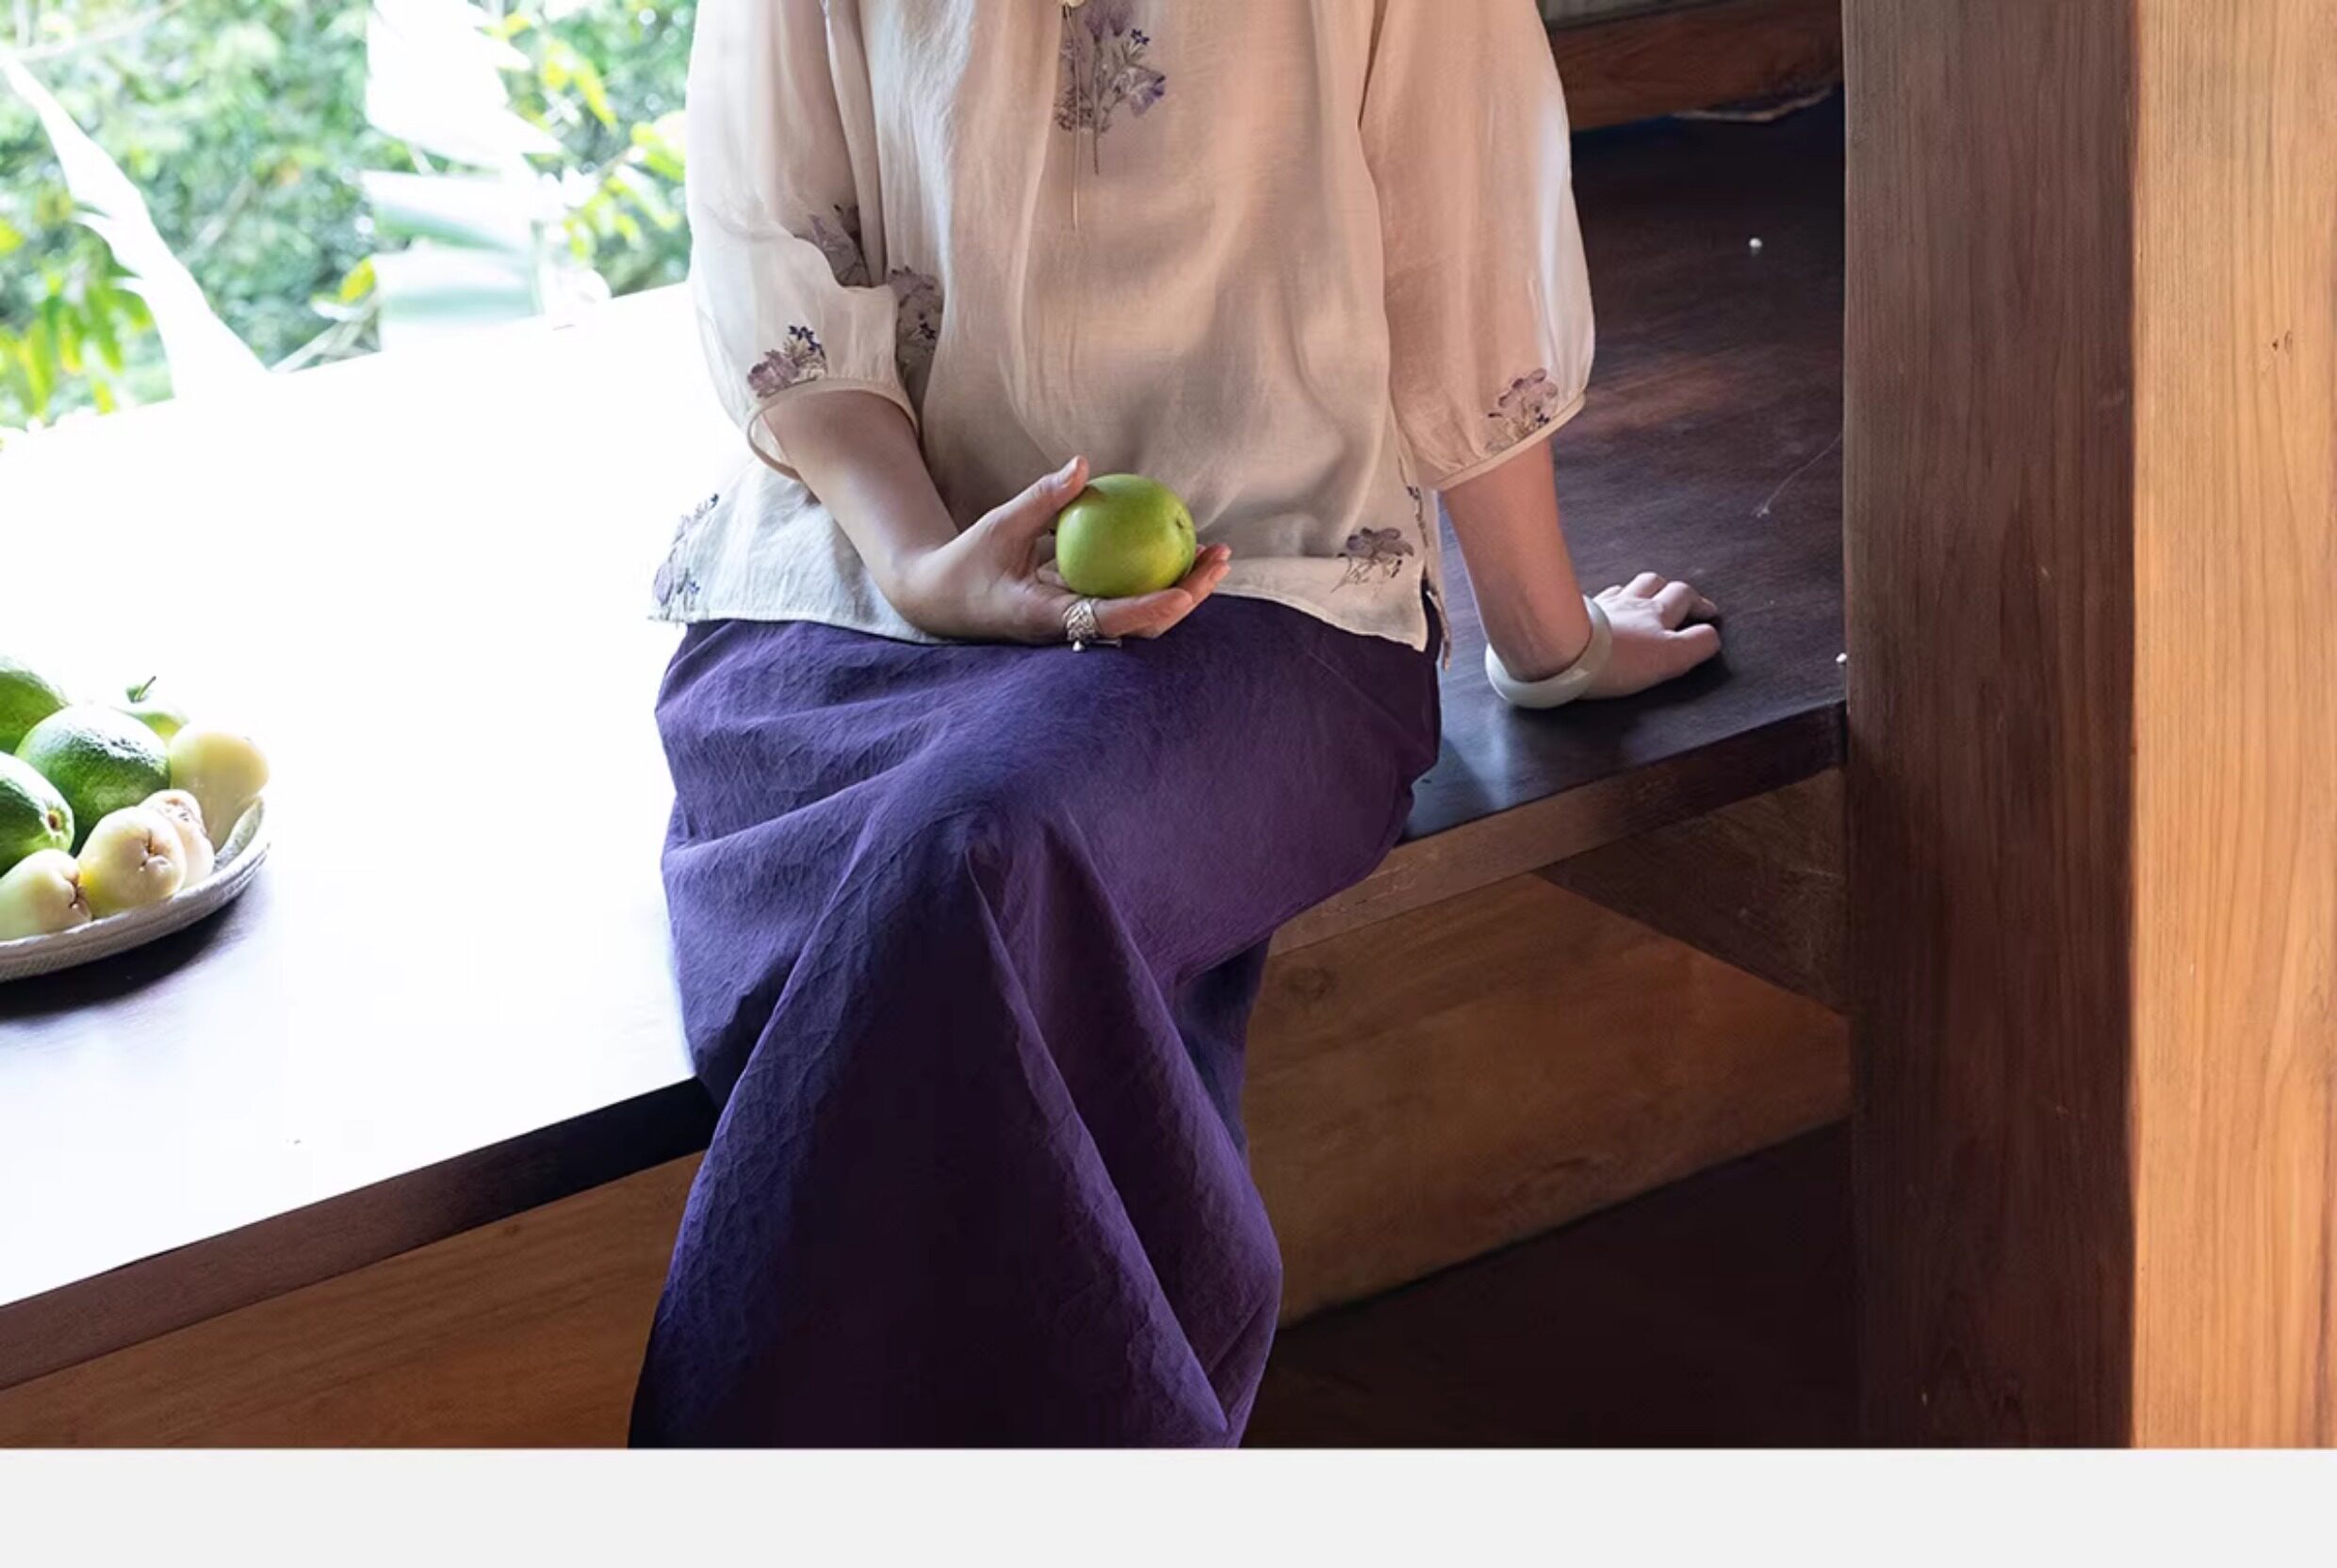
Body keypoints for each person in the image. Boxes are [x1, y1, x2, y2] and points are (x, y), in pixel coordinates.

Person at [636, 0, 1722, 1446]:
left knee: (979, 865)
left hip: (1255, 590)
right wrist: (923, 562)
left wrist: (1550, 645)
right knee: (969, 907)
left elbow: (1456, 271)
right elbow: (772, 242)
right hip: (855, 598)